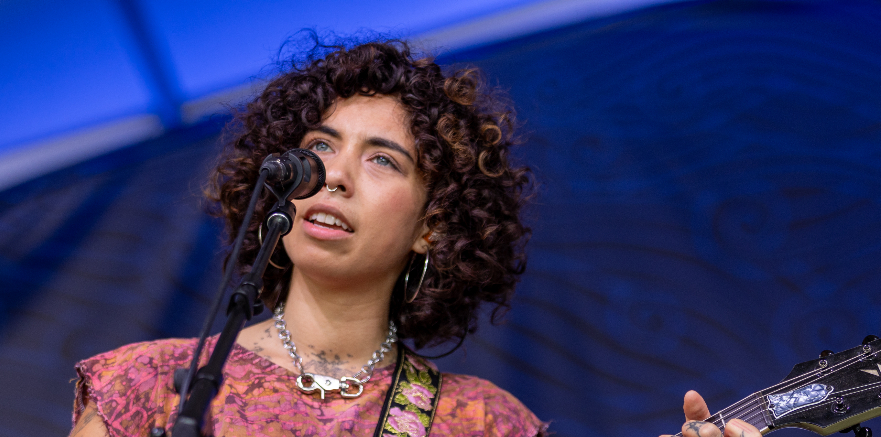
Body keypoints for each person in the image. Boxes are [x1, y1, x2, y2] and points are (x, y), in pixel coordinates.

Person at [67, 37, 764, 437]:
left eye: (381, 159)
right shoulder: (147, 384)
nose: (333, 174)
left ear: (433, 225)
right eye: (319, 146)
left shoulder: (486, 422)